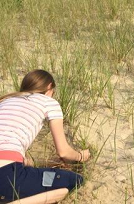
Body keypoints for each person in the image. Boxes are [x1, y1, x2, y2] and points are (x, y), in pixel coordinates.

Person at [0, 70, 90, 203]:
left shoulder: (6, 100)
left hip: (7, 166)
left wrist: (23, 159)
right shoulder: (48, 102)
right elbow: (63, 152)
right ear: (49, 87)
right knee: (75, 180)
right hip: (5, 176)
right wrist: (80, 156)